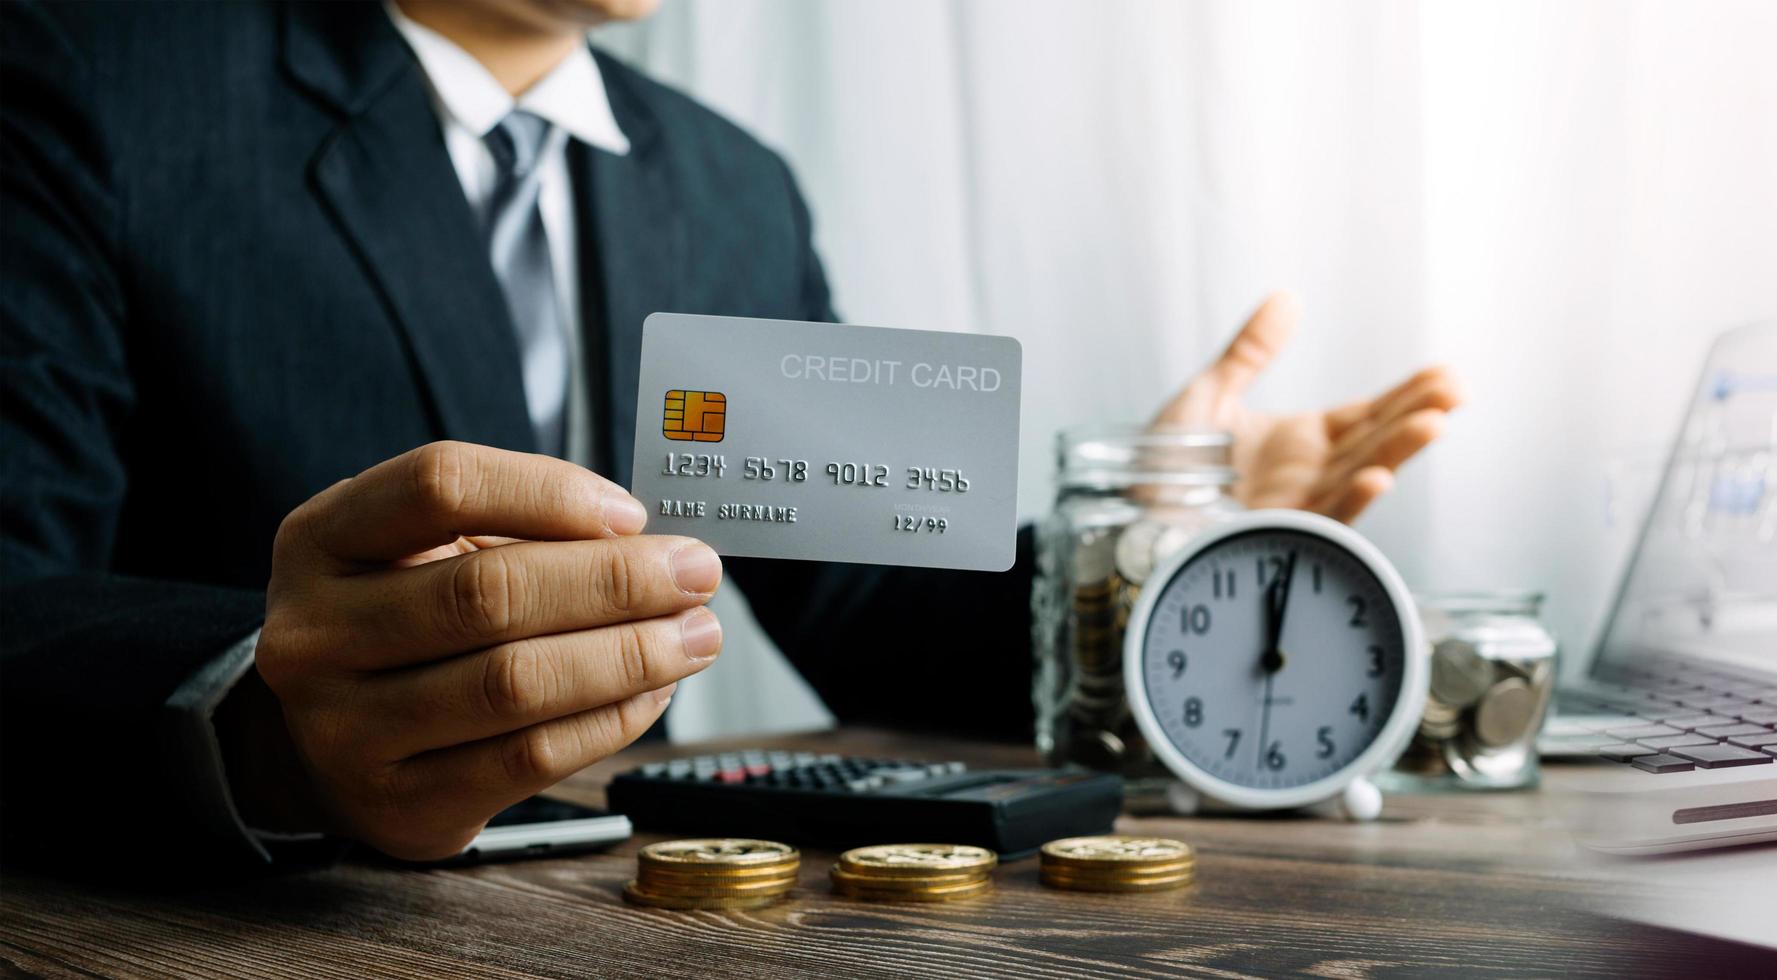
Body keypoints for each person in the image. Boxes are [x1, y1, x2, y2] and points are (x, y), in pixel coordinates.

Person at [0, 0, 1459, 873]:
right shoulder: (83, 78)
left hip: (637, 901)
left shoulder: (727, 182)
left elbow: (858, 605)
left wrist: (1138, 560)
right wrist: (260, 727)